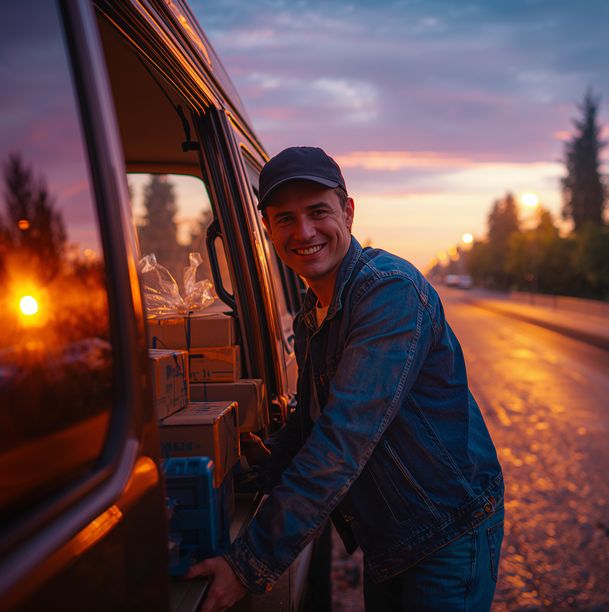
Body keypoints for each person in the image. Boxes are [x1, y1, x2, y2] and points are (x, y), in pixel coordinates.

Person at [186, 146, 504, 611]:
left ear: (348, 212)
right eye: (285, 219)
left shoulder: (388, 290)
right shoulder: (312, 314)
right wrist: (262, 464)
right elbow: (311, 422)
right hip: (391, 537)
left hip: (446, 531)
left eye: (318, 212)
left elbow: (344, 436)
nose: (304, 232)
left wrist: (248, 564)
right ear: (269, 230)